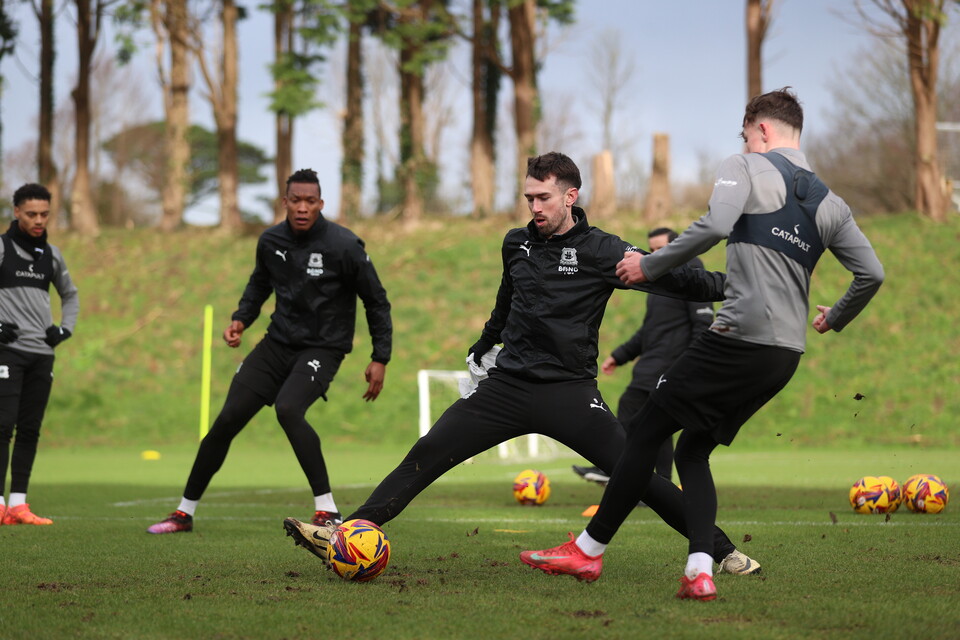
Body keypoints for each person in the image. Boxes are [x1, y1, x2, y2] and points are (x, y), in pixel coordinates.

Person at [283, 152, 759, 578]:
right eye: (528, 197)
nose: (534, 207)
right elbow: (505, 305)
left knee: (637, 477)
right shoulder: (516, 244)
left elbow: (673, 277)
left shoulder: (603, 249)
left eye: (543, 197)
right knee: (426, 454)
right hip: (505, 389)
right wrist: (483, 344)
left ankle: (723, 552)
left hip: (570, 392)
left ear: (570, 196)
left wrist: (736, 287)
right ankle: (348, 532)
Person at [521, 89, 884, 600]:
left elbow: (714, 225)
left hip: (736, 338)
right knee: (692, 451)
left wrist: (649, 264)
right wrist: (836, 316)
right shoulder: (831, 203)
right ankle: (699, 569)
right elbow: (871, 273)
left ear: (759, 129)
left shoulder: (745, 164)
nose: (743, 142)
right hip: (784, 356)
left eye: (745, 134)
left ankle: (588, 550)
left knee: (644, 432)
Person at [147, 169, 392, 534]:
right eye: (296, 200)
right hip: (276, 345)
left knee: (289, 408)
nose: (303, 207)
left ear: (321, 204)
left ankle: (327, 510)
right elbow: (259, 284)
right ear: (285, 202)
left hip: (323, 348)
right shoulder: (270, 240)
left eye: (310, 201)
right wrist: (241, 319)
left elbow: (376, 301)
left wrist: (380, 357)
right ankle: (184, 513)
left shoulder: (344, 246)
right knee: (226, 422)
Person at [572, 227, 713, 486]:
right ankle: (654, 484)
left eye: (662, 250)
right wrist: (620, 355)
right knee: (654, 423)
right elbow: (649, 330)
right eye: (652, 250)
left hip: (670, 365)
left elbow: (703, 325)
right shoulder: (658, 281)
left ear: (677, 247)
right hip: (651, 363)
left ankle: (618, 468)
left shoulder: (690, 271)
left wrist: (691, 365)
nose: (655, 255)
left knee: (636, 408)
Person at [0, 183, 79, 526]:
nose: (38, 220)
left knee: (30, 428)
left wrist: (64, 329)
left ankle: (19, 505)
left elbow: (70, 295)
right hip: (8, 352)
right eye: (31, 213)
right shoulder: (2, 249)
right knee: (2, 426)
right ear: (16, 212)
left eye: (44, 214)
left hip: (41, 355)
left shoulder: (52, 255)